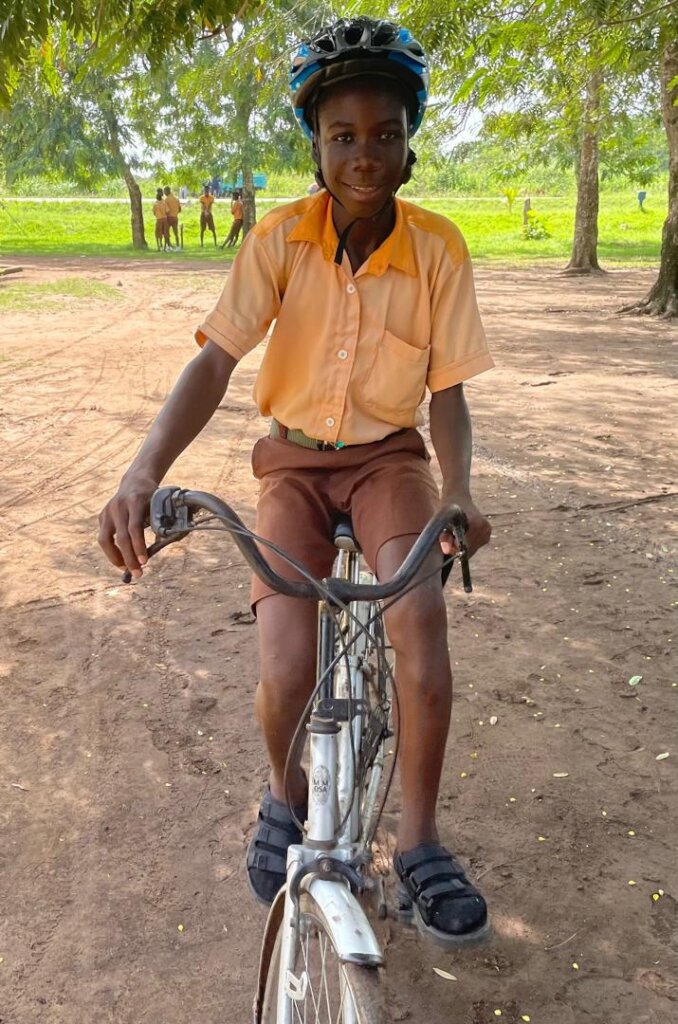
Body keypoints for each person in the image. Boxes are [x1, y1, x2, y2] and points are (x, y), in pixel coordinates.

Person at [98, 16, 493, 949]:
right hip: (293, 467)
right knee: (283, 664)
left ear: (410, 139)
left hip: (390, 461)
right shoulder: (278, 237)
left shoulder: (438, 250)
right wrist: (144, 466)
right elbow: (216, 362)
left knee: (419, 625)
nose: (367, 155)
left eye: (387, 133)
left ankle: (422, 844)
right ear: (314, 144)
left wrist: (460, 492)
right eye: (344, 135)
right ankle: (285, 798)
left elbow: (449, 393)